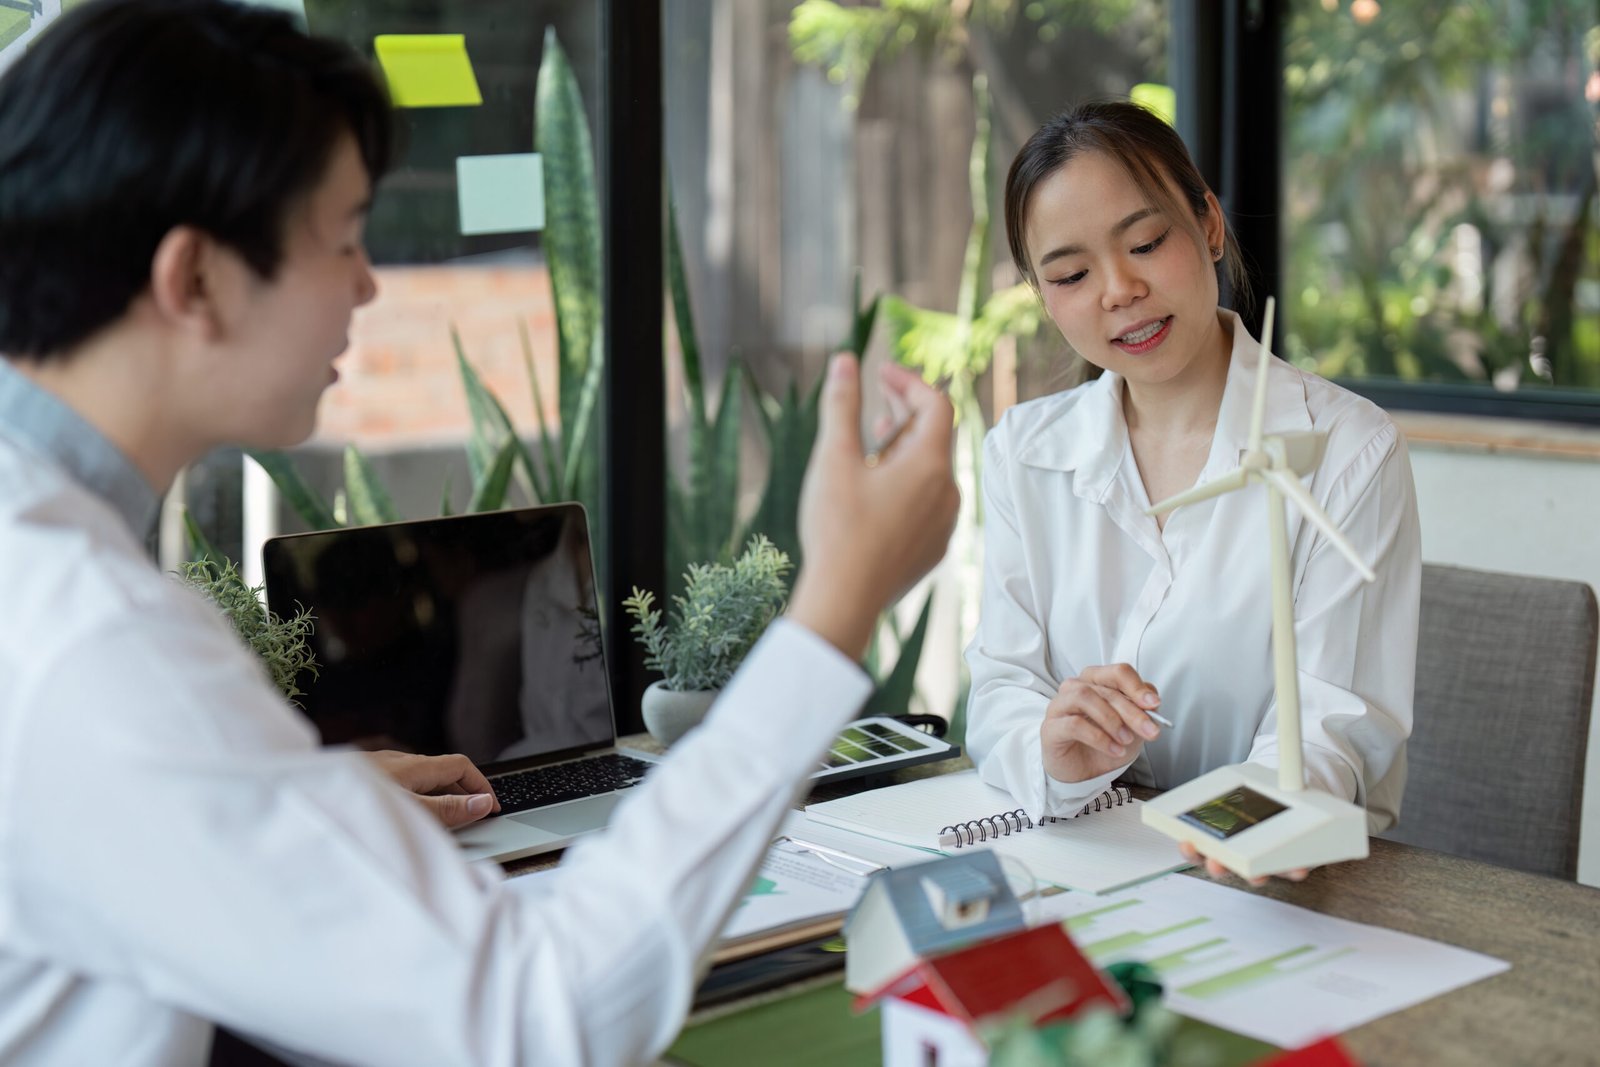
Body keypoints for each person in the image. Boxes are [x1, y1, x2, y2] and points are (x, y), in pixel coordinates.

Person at [0, 2, 959, 1065]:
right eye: (346, 239)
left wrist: (283, 801)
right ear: (195, 278)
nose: (369, 284)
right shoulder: (94, 638)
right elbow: (534, 1010)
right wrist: (836, 607)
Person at [964, 100, 1421, 881]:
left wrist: (1257, 823)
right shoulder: (1024, 454)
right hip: (1082, 868)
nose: (1118, 289)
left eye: (1145, 242)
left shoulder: (1346, 449)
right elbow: (1002, 686)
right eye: (1071, 274)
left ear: (1209, 224)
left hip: (1279, 886)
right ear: (1042, 294)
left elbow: (1330, 725)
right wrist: (1056, 749)